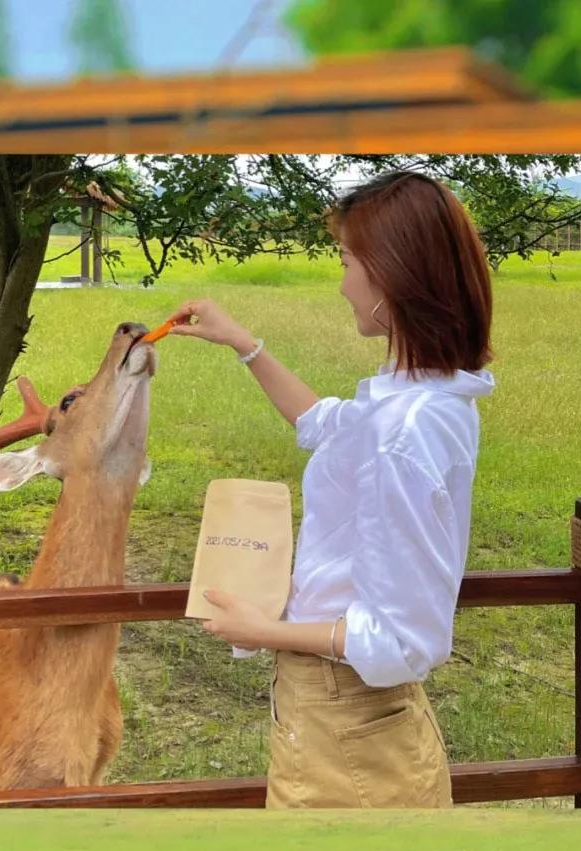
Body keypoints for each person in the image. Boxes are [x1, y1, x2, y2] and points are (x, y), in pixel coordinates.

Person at [165, 169, 495, 810]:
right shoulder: (415, 399)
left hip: (349, 733)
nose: (341, 282)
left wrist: (263, 629)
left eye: (346, 261)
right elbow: (324, 424)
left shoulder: (408, 428)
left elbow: (402, 640)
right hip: (350, 723)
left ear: (390, 275)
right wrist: (243, 344)